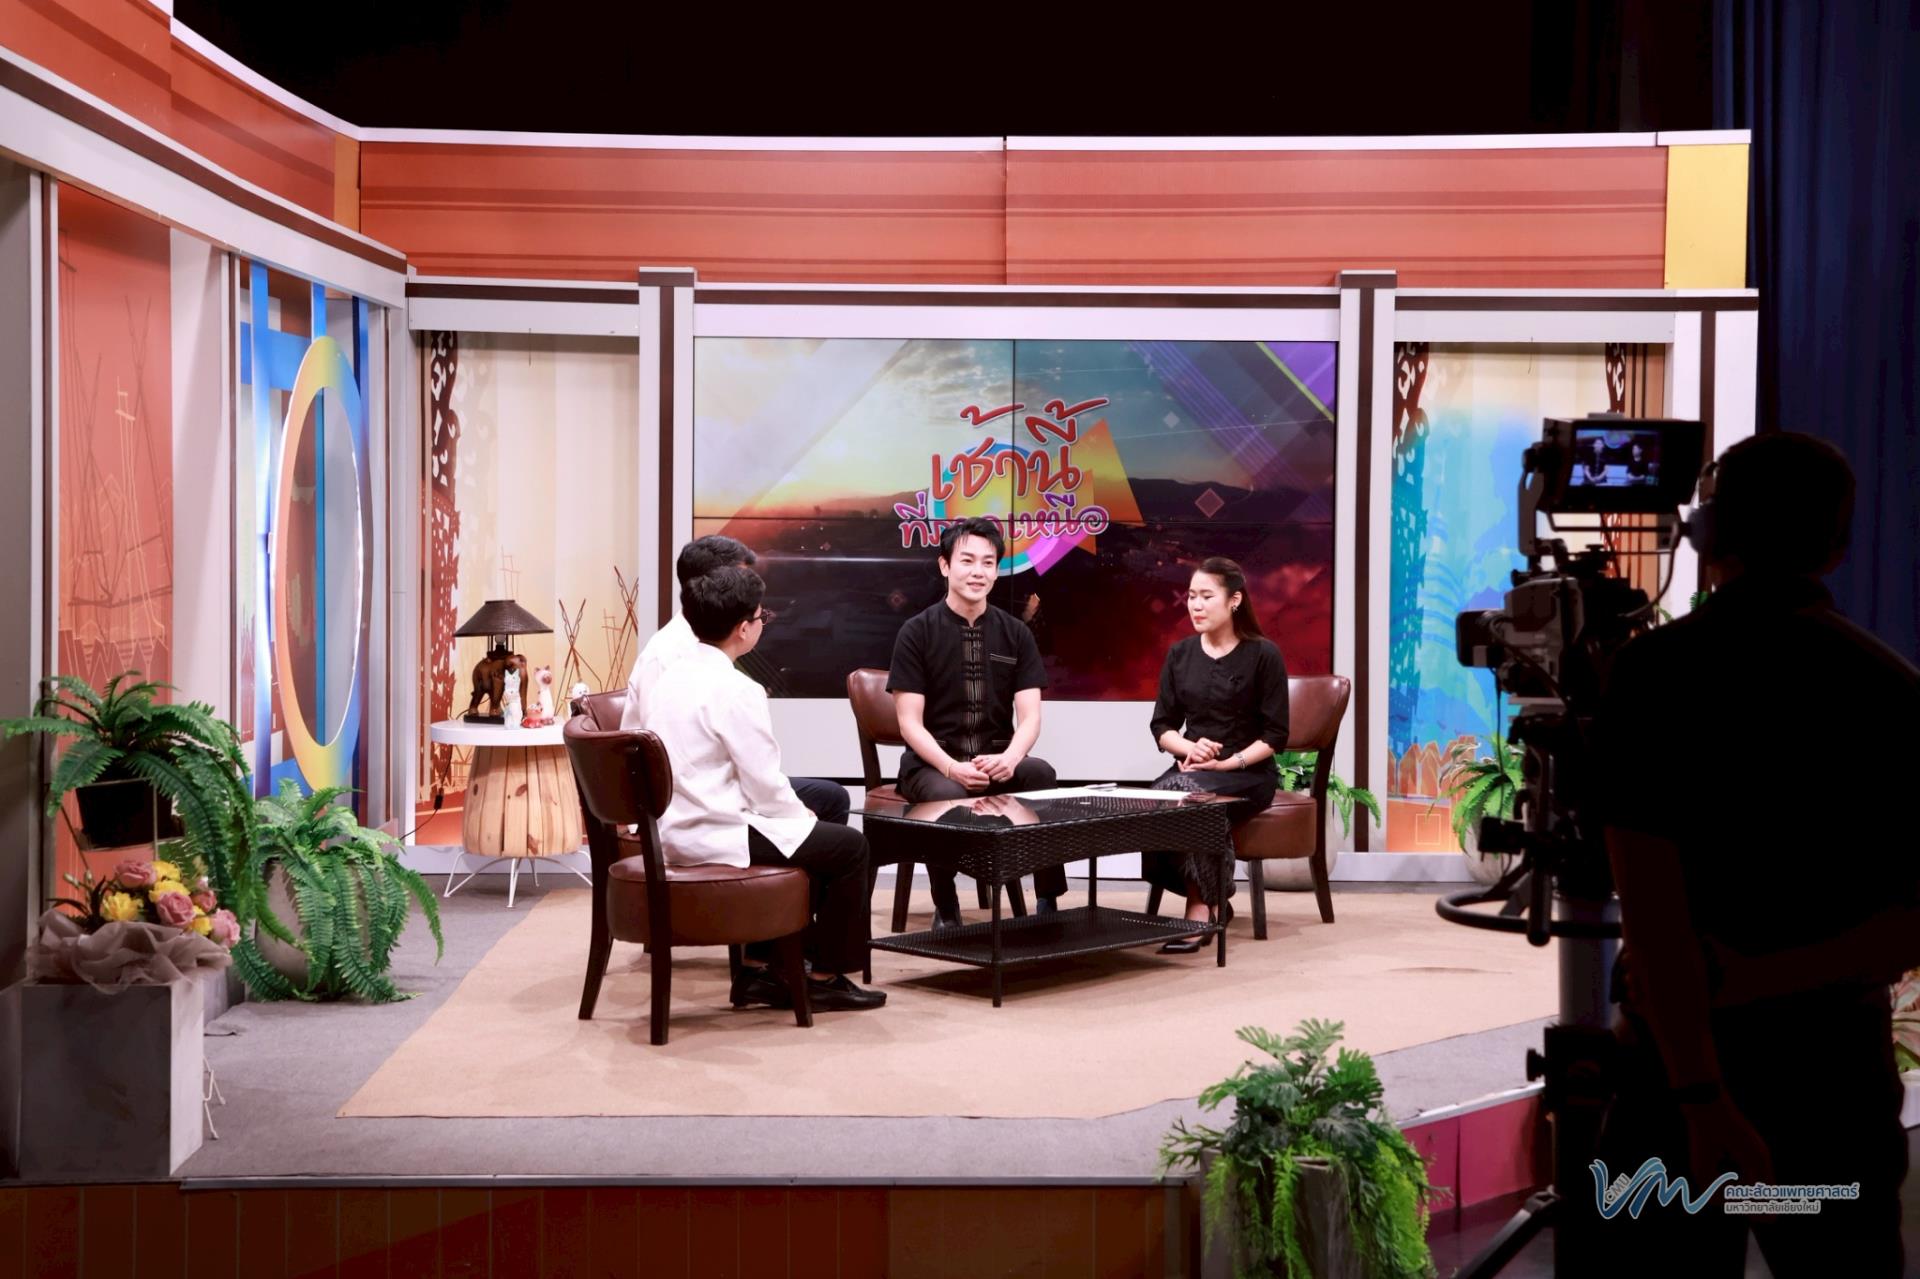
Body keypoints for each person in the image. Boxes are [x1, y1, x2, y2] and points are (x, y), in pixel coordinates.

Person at [1591, 432, 1919, 1276]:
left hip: (1672, 1087)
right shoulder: (1893, 688)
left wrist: (1704, 1098)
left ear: (1712, 534)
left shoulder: (1652, 673)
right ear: (1837, 545)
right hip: (1832, 1087)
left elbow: (1653, 912)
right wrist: (1763, 978)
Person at [643, 565, 885, 1012]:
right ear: (743, 629)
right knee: (851, 848)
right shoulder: (737, 689)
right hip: (716, 828)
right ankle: (826, 975)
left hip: (678, 822)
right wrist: (797, 817)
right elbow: (763, 786)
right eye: (761, 617)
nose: (762, 623)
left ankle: (765, 963)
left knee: (828, 800)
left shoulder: (669, 679)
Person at [887, 516, 1067, 928]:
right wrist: (951, 767)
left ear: (997, 570)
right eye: (967, 561)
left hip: (997, 759)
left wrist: (1011, 758)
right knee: (945, 792)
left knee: (1041, 773)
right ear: (945, 565)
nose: (978, 572)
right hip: (934, 764)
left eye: (988, 563)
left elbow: (1031, 716)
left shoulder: (1015, 633)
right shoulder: (916, 632)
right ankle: (946, 906)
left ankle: (1048, 900)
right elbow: (909, 724)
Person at [623, 535, 849, 825]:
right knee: (829, 824)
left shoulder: (708, 639)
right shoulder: (667, 654)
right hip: (688, 802)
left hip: (716, 782)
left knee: (831, 796)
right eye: (740, 578)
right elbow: (666, 754)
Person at [1142, 558, 1290, 953]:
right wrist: (1190, 748)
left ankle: (1200, 908)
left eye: (1206, 596)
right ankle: (1215, 896)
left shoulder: (1264, 655)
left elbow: (1275, 736)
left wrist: (1227, 762)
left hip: (1248, 772)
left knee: (1188, 795)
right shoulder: (1180, 654)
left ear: (1234, 600)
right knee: (1158, 797)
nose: (1195, 605)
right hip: (1193, 769)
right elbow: (1162, 727)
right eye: (1191, 596)